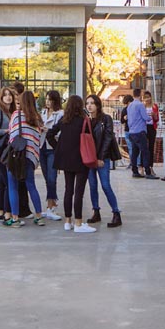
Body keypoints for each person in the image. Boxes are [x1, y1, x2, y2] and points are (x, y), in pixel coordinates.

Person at [46, 95, 95, 233]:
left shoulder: (63, 120)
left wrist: (58, 148)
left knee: (68, 190)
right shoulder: (84, 120)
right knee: (79, 192)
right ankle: (78, 222)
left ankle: (68, 221)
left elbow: (50, 134)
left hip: (66, 160)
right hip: (81, 159)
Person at [4, 90, 45, 228]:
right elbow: (38, 139)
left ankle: (15, 219)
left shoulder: (16, 115)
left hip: (16, 155)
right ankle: (39, 216)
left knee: (13, 186)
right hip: (30, 156)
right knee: (31, 185)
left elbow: (11, 134)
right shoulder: (37, 118)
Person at [85, 95, 123, 228]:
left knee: (105, 185)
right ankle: (96, 211)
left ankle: (116, 213)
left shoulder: (106, 119)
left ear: (98, 105)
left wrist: (101, 157)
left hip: (102, 158)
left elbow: (108, 138)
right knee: (92, 185)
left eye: (92, 103)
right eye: (87, 103)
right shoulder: (86, 120)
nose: (89, 106)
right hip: (90, 158)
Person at [39, 90, 64, 220]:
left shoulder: (60, 114)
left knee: (51, 177)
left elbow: (61, 132)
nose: (48, 102)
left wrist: (48, 130)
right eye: (47, 99)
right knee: (46, 177)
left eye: (50, 99)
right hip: (41, 146)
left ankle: (51, 206)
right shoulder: (43, 112)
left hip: (52, 147)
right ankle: (52, 203)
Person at [0, 86, 15, 220]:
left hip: (7, 150)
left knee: (2, 182)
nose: (8, 97)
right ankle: (7, 213)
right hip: (0, 151)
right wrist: (8, 131)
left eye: (9, 94)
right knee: (7, 182)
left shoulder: (11, 112)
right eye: (5, 95)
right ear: (1, 98)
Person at [127, 88, 156, 179]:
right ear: (140, 95)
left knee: (134, 152)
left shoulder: (130, 105)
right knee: (145, 152)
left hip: (132, 131)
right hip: (140, 131)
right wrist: (150, 116)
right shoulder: (140, 105)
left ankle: (135, 171)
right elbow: (145, 117)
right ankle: (148, 172)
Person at [142, 90, 159, 175]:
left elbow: (157, 119)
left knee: (151, 147)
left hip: (152, 127)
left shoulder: (154, 106)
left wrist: (154, 116)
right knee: (143, 147)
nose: (147, 99)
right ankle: (142, 167)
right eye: (145, 97)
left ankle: (151, 167)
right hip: (144, 128)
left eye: (148, 97)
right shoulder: (142, 106)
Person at [119, 94, 134, 165]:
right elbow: (122, 121)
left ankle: (134, 163)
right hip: (128, 130)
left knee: (133, 147)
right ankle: (133, 162)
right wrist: (124, 118)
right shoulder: (124, 110)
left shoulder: (132, 109)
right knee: (131, 147)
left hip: (131, 130)